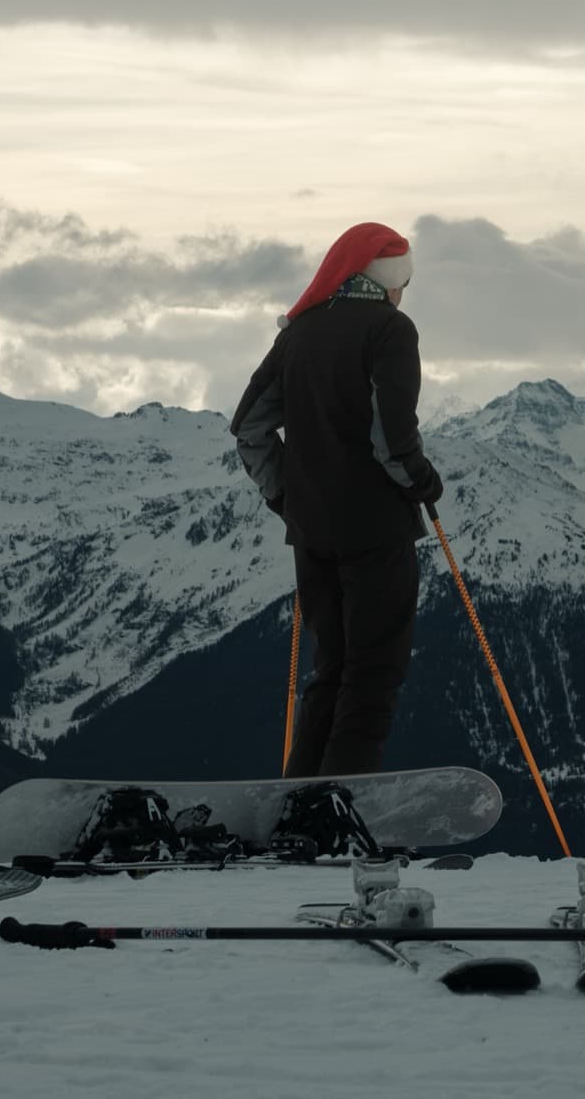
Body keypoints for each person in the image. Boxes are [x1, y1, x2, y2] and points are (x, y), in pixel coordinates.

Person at [229, 222, 443, 778]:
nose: (405, 293)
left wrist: (285, 495)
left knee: (333, 667)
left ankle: (300, 803)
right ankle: (342, 808)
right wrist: (421, 481)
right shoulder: (390, 332)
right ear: (387, 280)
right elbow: (391, 438)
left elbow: (249, 429)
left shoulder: (296, 334)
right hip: (377, 528)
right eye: (406, 281)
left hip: (312, 532)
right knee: (372, 673)